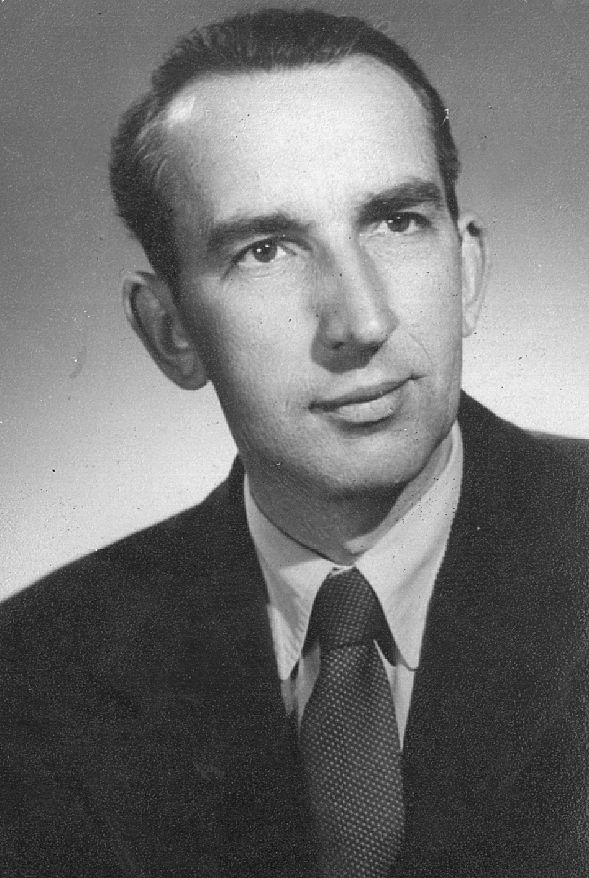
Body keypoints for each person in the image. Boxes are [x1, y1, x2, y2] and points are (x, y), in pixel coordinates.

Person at [1, 8, 588, 877]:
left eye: (397, 221)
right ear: (170, 331)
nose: (362, 319)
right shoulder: (31, 677)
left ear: (465, 271)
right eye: (266, 250)